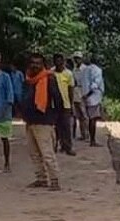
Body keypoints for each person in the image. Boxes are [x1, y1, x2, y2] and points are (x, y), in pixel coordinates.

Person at [21, 52, 65, 190]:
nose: (35, 65)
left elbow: (58, 100)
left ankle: (54, 180)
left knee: (47, 153)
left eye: (38, 63)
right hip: (30, 120)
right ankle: (41, 178)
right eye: (33, 62)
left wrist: (56, 119)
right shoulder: (28, 80)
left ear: (43, 65)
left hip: (44, 121)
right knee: (34, 152)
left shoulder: (49, 79)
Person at [76, 54, 106, 147]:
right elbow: (95, 84)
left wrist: (84, 95)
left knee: (89, 118)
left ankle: (90, 138)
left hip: (86, 96)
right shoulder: (97, 70)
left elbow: (80, 82)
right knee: (93, 119)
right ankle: (92, 140)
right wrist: (89, 94)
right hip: (94, 97)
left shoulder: (85, 69)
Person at [51, 54, 76, 156]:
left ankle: (67, 147)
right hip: (53, 105)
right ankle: (54, 146)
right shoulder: (51, 73)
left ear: (63, 62)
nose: (59, 63)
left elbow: (71, 90)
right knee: (55, 127)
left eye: (60, 61)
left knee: (66, 127)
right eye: (56, 61)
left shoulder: (68, 74)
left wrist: (71, 104)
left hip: (65, 104)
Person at [71, 54, 86, 140]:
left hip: (82, 92)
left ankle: (86, 134)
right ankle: (81, 134)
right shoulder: (74, 69)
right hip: (75, 92)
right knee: (76, 115)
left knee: (83, 115)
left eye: (78, 58)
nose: (77, 60)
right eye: (75, 58)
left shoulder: (85, 69)